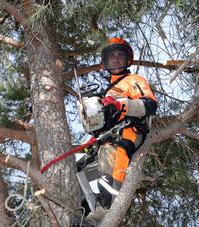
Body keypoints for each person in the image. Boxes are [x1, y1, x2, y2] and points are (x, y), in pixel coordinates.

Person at [85, 37, 157, 225]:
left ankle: (106, 210)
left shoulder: (133, 80)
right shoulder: (106, 91)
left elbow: (150, 104)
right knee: (81, 169)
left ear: (127, 60)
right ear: (105, 62)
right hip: (105, 140)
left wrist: (121, 105)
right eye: (111, 56)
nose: (115, 59)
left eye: (120, 55)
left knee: (112, 162)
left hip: (126, 134)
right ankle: (87, 208)